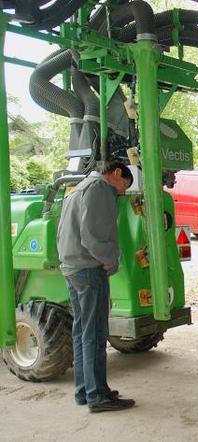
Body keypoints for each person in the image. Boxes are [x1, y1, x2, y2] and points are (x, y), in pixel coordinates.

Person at [57, 160, 135, 413]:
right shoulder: (100, 189)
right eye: (124, 184)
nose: (122, 192)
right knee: (95, 334)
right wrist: (110, 259)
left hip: (72, 268)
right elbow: (93, 236)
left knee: (81, 332)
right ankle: (98, 396)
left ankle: (85, 390)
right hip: (89, 270)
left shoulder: (78, 188)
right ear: (115, 173)